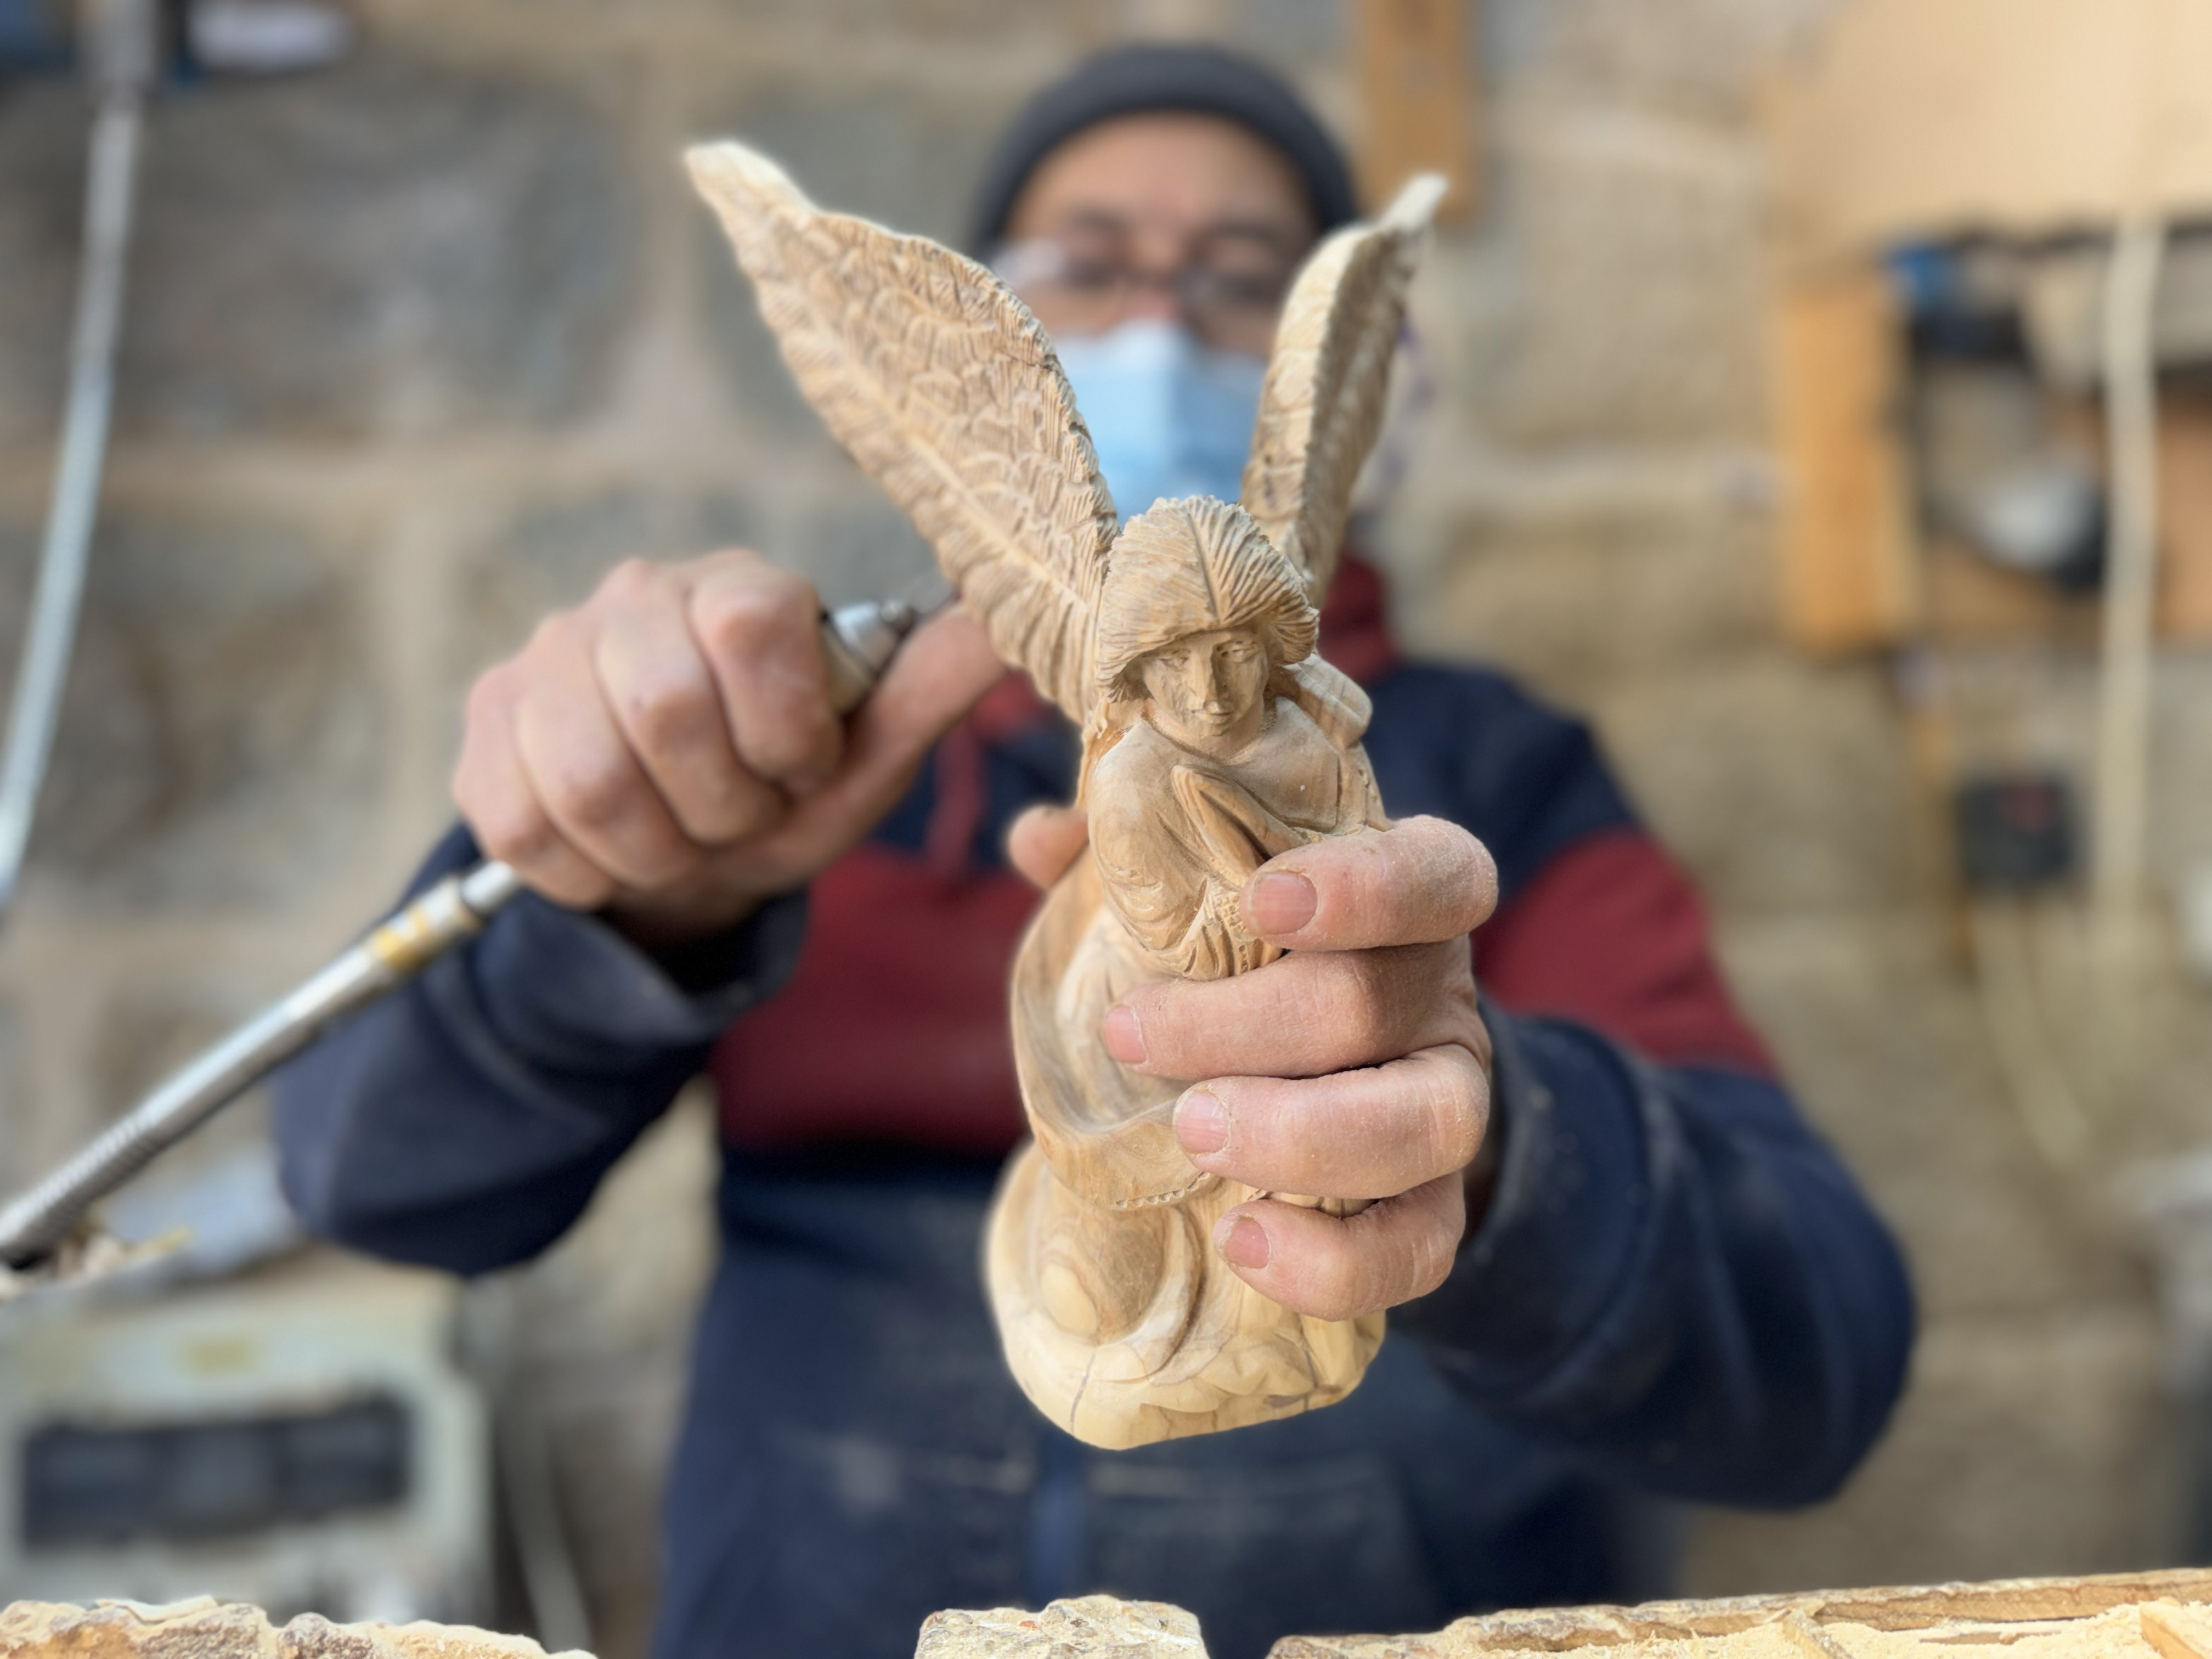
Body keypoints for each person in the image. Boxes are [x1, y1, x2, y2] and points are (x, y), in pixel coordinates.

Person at [273, 44, 1915, 1659]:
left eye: (1237, 279)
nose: (1157, 327)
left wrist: (1487, 1149)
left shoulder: (1495, 776)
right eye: (1089, 268)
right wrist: (633, 898)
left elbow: (1818, 1358)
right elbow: (373, 1175)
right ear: (1003, 352)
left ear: (1347, 388)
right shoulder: (796, 749)